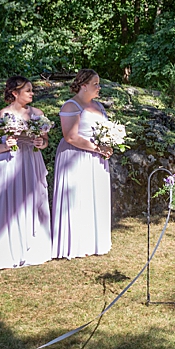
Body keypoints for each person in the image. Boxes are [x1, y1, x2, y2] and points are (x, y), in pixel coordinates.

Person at [0, 76, 52, 270]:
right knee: (9, 203)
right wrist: (5, 146)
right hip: (9, 163)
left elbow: (45, 141)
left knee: (34, 201)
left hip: (31, 160)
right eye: (27, 90)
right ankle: (8, 250)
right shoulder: (0, 116)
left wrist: (41, 143)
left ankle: (34, 248)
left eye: (32, 90)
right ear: (15, 93)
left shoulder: (37, 114)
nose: (32, 93)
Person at [51, 69, 113, 259]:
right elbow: (70, 137)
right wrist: (97, 148)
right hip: (75, 157)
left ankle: (94, 241)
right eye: (95, 84)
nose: (99, 87)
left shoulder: (99, 106)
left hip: (96, 158)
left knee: (94, 196)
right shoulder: (71, 106)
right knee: (77, 197)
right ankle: (75, 243)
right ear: (83, 85)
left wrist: (109, 144)